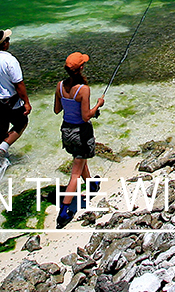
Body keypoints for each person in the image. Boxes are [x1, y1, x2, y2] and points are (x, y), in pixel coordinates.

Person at [52, 51, 104, 227]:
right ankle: (64, 211)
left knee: (79, 161)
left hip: (66, 131)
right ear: (81, 68)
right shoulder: (84, 90)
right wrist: (98, 105)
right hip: (80, 132)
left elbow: (57, 110)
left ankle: (91, 185)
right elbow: (85, 116)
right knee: (75, 173)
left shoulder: (59, 86)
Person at [0, 29, 32, 169]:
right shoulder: (9, 60)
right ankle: (1, 150)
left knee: (2, 127)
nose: (9, 42)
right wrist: (26, 102)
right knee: (22, 123)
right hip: (10, 101)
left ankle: (1, 157)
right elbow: (18, 84)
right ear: (4, 44)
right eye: (7, 40)